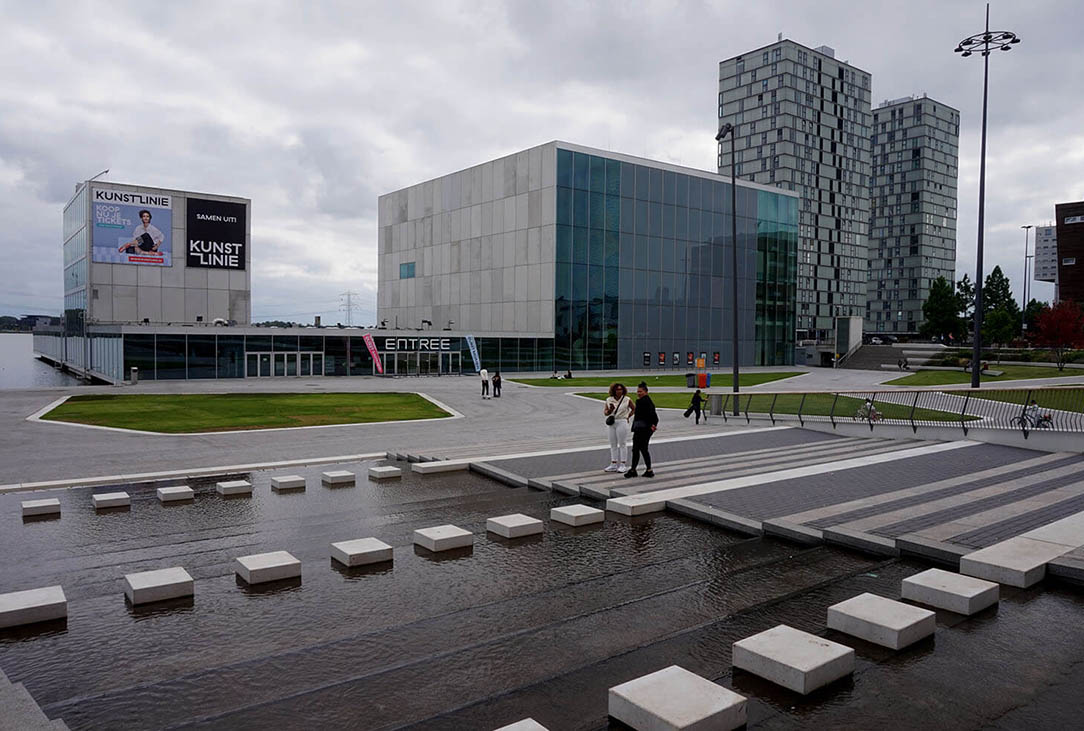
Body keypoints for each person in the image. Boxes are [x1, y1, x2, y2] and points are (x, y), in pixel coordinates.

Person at [625, 381, 658, 478]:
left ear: (646, 392)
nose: (638, 393)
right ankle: (647, 469)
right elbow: (654, 417)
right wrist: (653, 426)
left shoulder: (644, 402)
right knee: (642, 449)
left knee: (637, 449)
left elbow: (652, 416)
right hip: (642, 429)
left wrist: (651, 426)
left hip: (642, 429)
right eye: (638, 391)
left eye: (640, 391)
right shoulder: (646, 401)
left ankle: (635, 470)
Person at [603, 382, 632, 473]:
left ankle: (623, 464)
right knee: (613, 444)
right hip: (612, 422)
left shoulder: (627, 399)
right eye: (617, 389)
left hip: (622, 421)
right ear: (613, 391)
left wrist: (628, 416)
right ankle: (613, 464)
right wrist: (610, 410)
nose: (619, 391)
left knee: (622, 443)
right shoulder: (609, 399)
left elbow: (634, 408)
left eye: (621, 389)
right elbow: (605, 412)